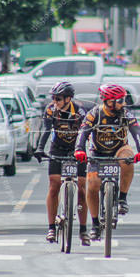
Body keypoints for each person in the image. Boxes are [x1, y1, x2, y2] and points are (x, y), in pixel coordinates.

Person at [74, 83, 140, 240]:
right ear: (108, 101)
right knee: (92, 184)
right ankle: (94, 224)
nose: (123, 103)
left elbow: (136, 131)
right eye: (120, 100)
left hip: (119, 148)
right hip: (98, 152)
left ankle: (122, 199)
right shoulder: (95, 114)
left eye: (124, 100)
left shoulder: (125, 113)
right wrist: (79, 149)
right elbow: (83, 132)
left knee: (128, 157)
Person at [33, 82, 90, 245]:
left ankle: (83, 230)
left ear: (68, 99)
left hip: (76, 149)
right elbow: (46, 130)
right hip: (57, 149)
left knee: (81, 188)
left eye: (58, 98)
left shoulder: (79, 111)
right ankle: (51, 227)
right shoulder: (51, 110)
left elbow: (87, 133)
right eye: (53, 98)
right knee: (54, 185)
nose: (54, 101)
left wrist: (88, 151)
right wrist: (39, 148)